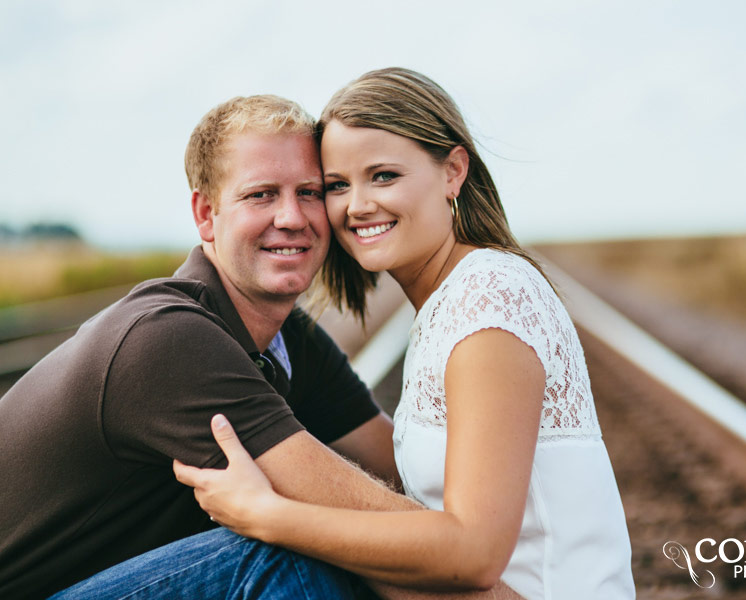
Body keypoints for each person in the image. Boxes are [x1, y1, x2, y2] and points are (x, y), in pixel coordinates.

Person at [79, 68, 635, 598]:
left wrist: (271, 517)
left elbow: (474, 552)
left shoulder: (488, 300)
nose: (358, 206)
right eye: (338, 185)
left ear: (453, 171)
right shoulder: (453, 302)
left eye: (384, 176)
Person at [2, 94, 514, 600]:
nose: (292, 217)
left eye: (310, 192)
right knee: (283, 555)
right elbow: (364, 521)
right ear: (206, 214)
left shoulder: (290, 337)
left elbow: (402, 480)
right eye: (261, 195)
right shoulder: (167, 341)